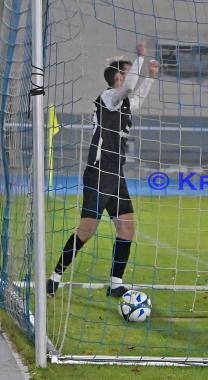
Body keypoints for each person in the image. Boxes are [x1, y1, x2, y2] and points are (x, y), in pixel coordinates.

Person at [46, 42, 159, 297]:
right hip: (98, 174)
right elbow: (131, 87)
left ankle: (116, 284)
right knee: (86, 231)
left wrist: (151, 77)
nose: (132, 76)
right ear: (118, 77)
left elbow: (137, 96)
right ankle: (54, 277)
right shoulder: (109, 97)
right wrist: (140, 58)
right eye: (129, 72)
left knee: (127, 228)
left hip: (115, 174)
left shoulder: (124, 103)